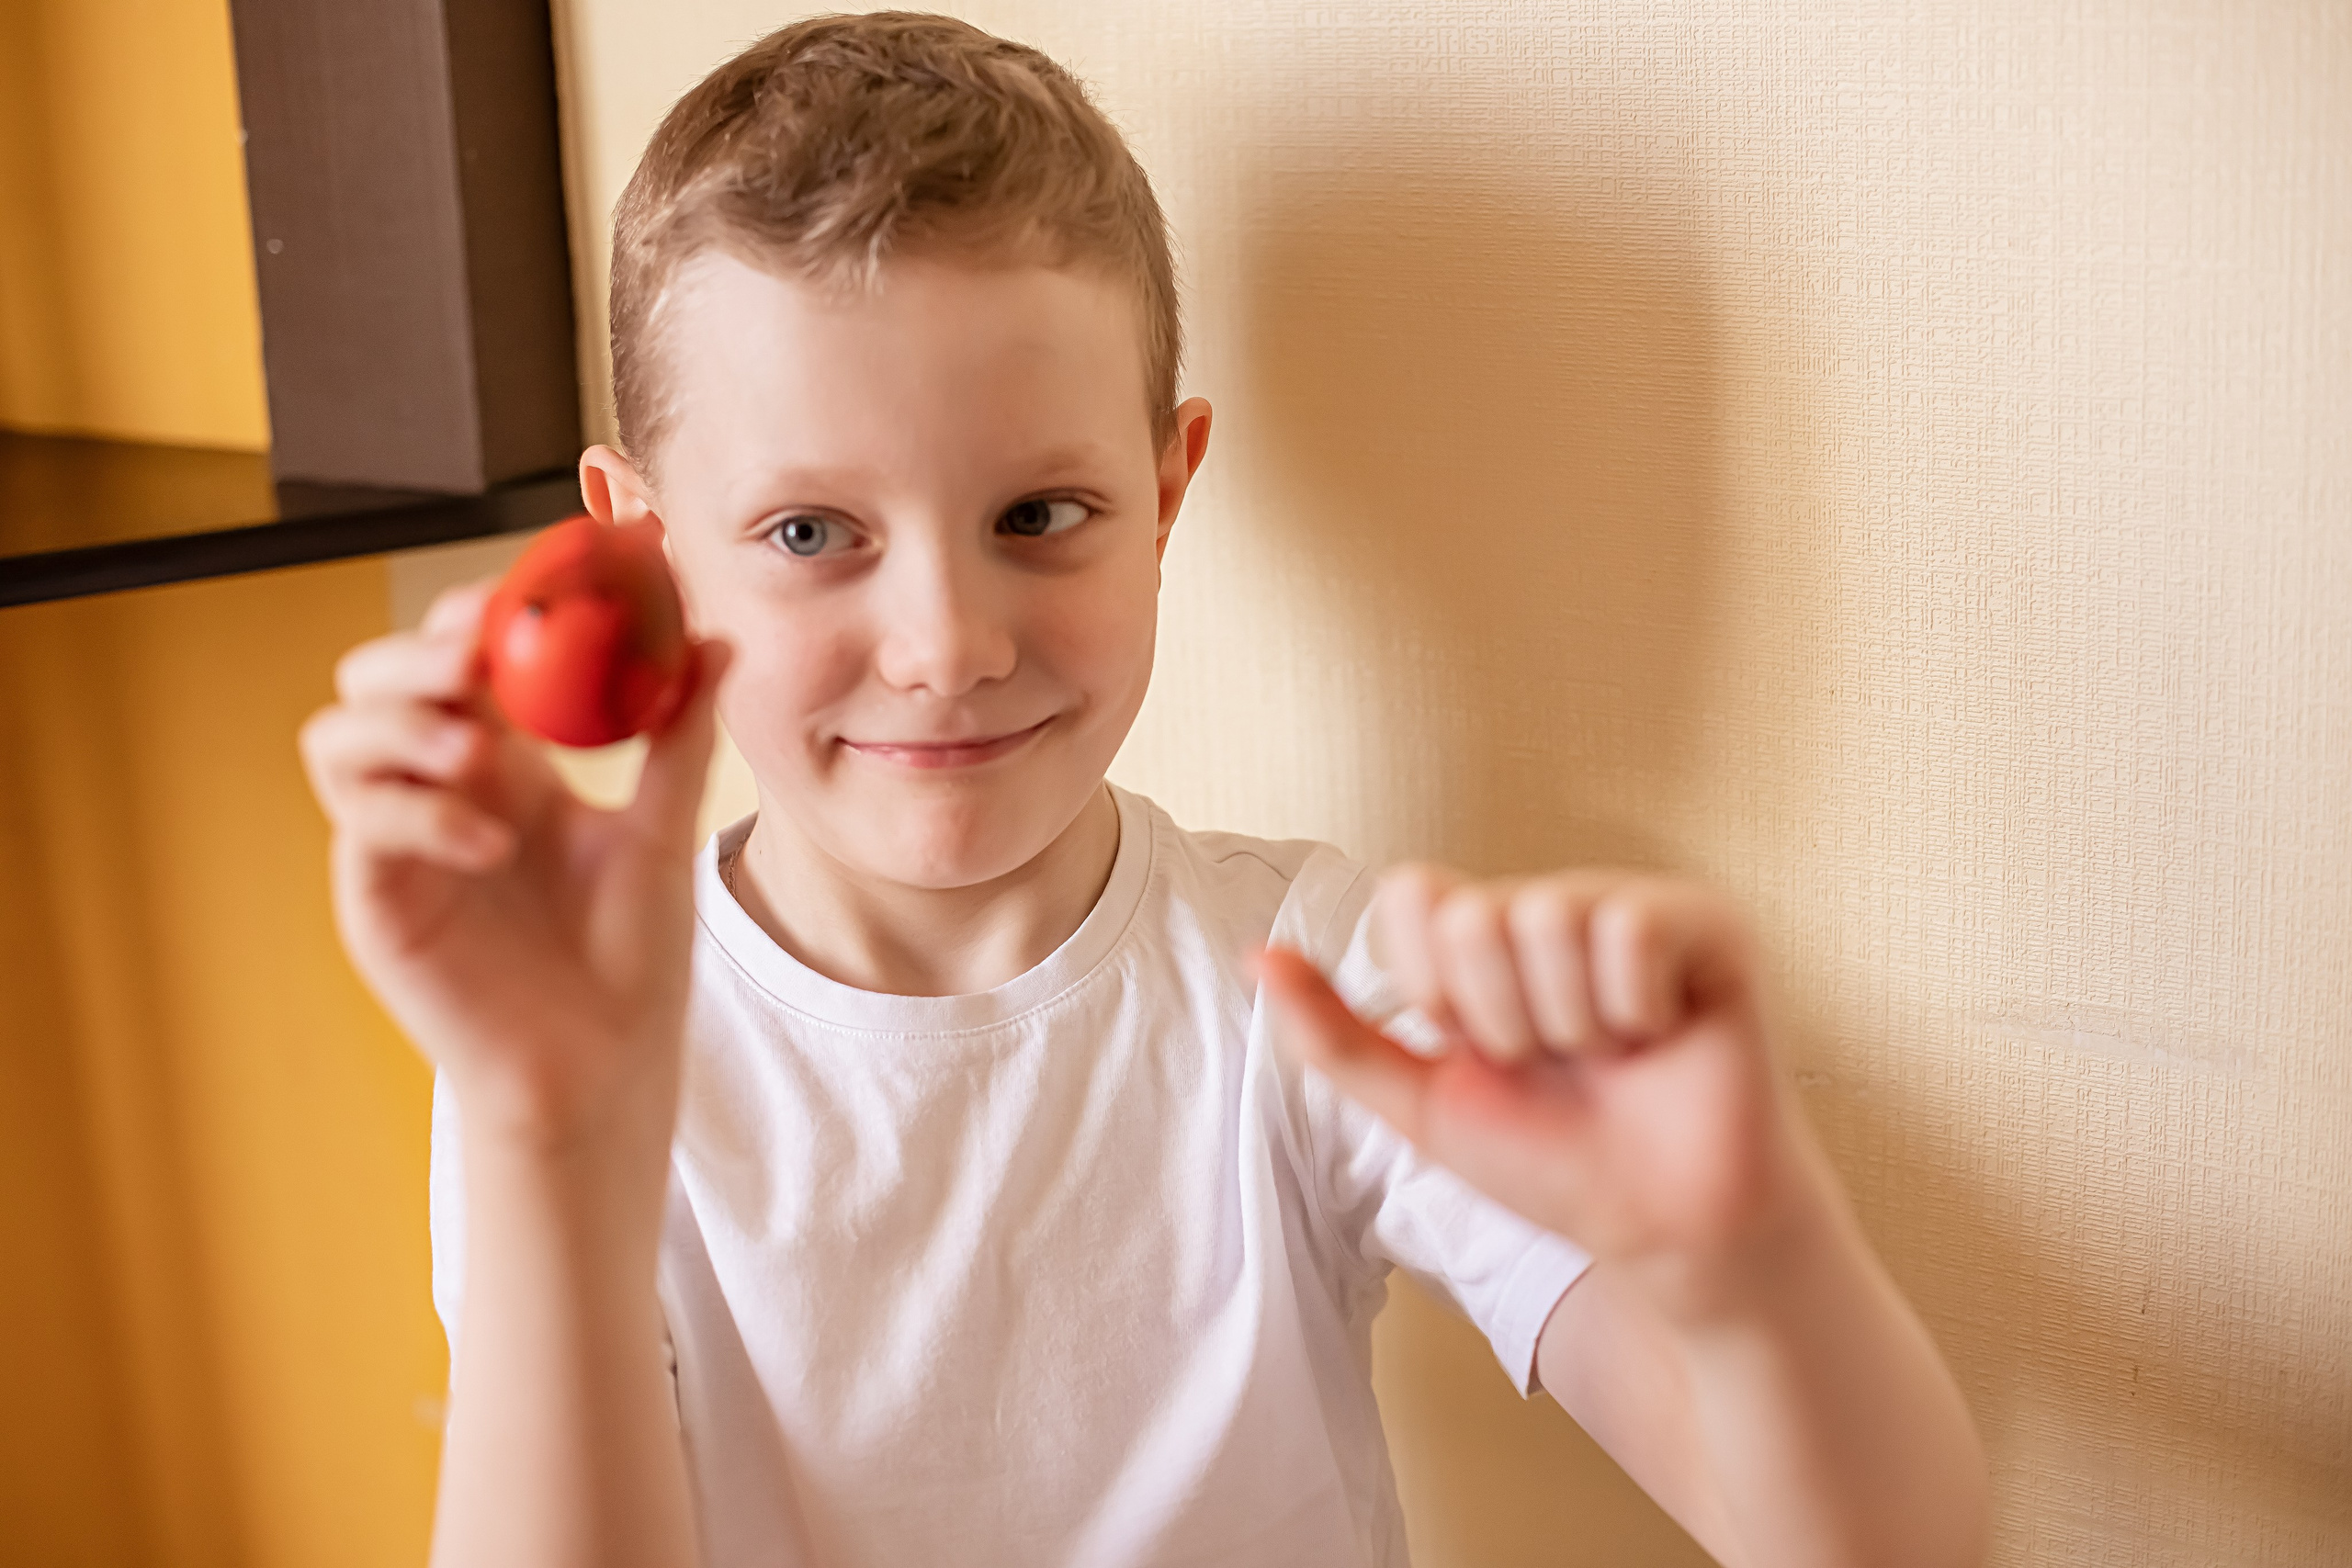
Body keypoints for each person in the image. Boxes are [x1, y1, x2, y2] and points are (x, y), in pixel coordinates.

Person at [299, 13, 1988, 1567]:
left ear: (1167, 486)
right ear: (644, 550)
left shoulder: (1319, 985)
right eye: (813, 534)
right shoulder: (582, 1038)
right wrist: (550, 1144)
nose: (947, 646)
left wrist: (1753, 1261)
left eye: (1037, 515)